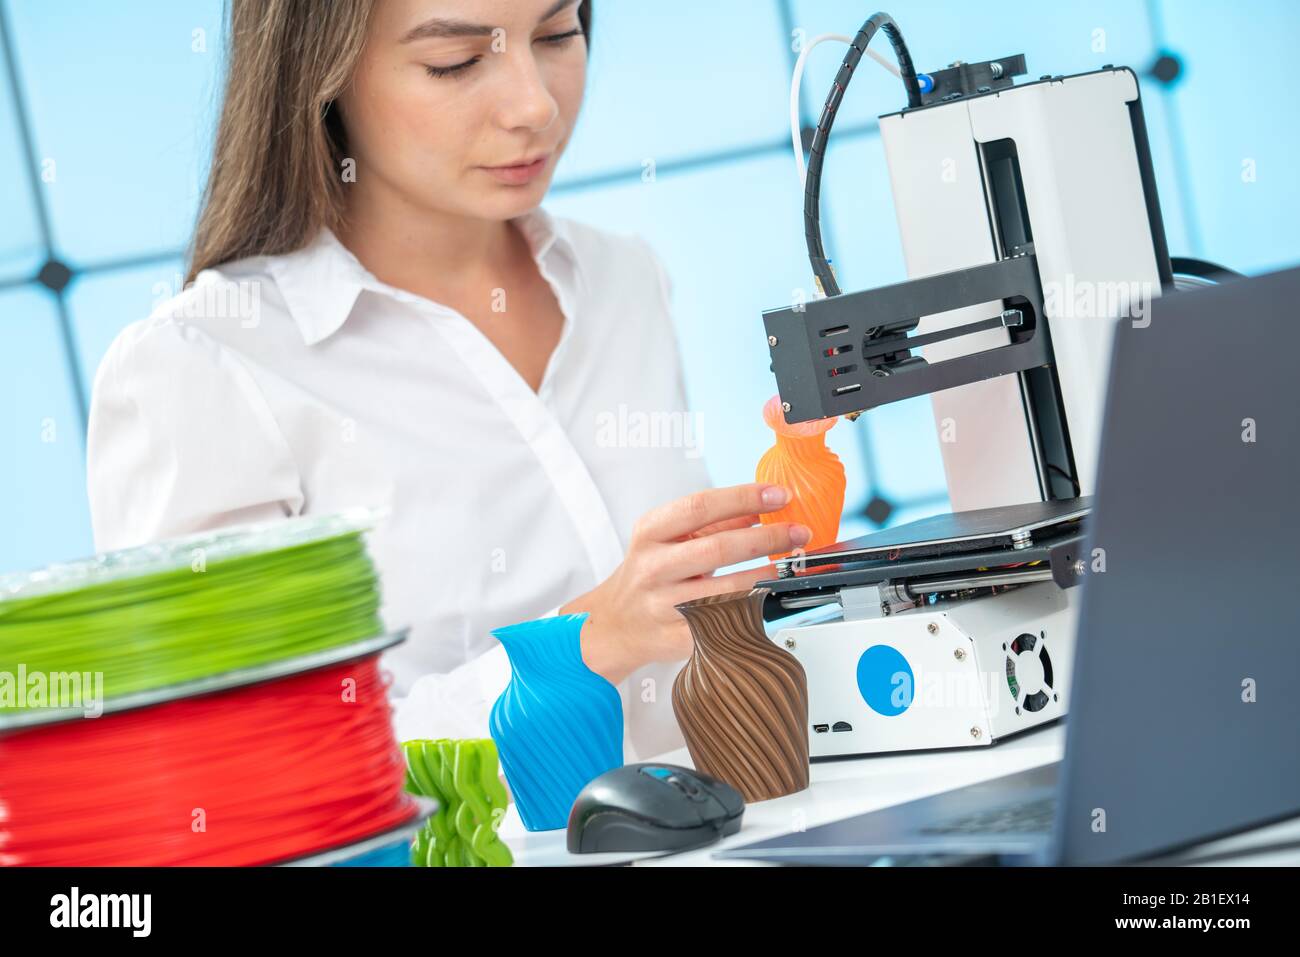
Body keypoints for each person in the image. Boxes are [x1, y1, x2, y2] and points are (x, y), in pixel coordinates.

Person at [86, 0, 811, 761]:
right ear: (320, 72)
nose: (535, 104)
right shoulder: (205, 367)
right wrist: (579, 648)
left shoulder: (623, 279)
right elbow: (245, 772)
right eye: (456, 62)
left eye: (559, 34)